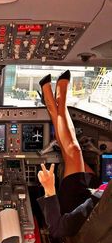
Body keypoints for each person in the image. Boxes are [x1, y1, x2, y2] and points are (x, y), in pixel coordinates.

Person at [38, 70, 101, 214]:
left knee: (73, 150)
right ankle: (52, 101)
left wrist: (49, 189)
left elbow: (56, 229)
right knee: (70, 151)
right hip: (98, 196)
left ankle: (57, 100)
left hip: (77, 210)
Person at [37, 163, 105, 238]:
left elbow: (57, 229)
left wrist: (49, 188)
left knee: (75, 154)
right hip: (97, 194)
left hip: (75, 215)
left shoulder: (102, 201)